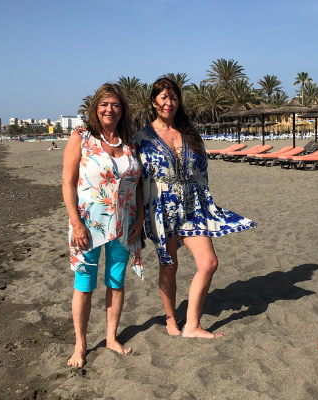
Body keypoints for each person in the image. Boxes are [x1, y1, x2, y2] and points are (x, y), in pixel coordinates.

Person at [134, 77, 256, 338]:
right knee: (169, 266)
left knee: (209, 262)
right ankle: (171, 318)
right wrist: (139, 217)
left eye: (174, 98)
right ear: (153, 101)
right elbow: (136, 181)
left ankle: (192, 325)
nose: (169, 103)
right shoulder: (141, 138)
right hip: (161, 208)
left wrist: (208, 205)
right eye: (164, 97)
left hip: (193, 207)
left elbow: (202, 174)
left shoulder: (190, 134)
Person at [62, 83, 144, 368]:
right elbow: (67, 182)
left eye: (115, 105)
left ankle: (111, 337)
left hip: (124, 223)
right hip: (88, 223)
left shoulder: (129, 142)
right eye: (104, 104)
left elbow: (138, 185)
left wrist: (140, 219)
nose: (110, 110)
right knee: (84, 283)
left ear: (123, 110)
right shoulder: (81, 137)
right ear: (95, 108)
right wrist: (76, 223)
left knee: (116, 280)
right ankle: (80, 345)